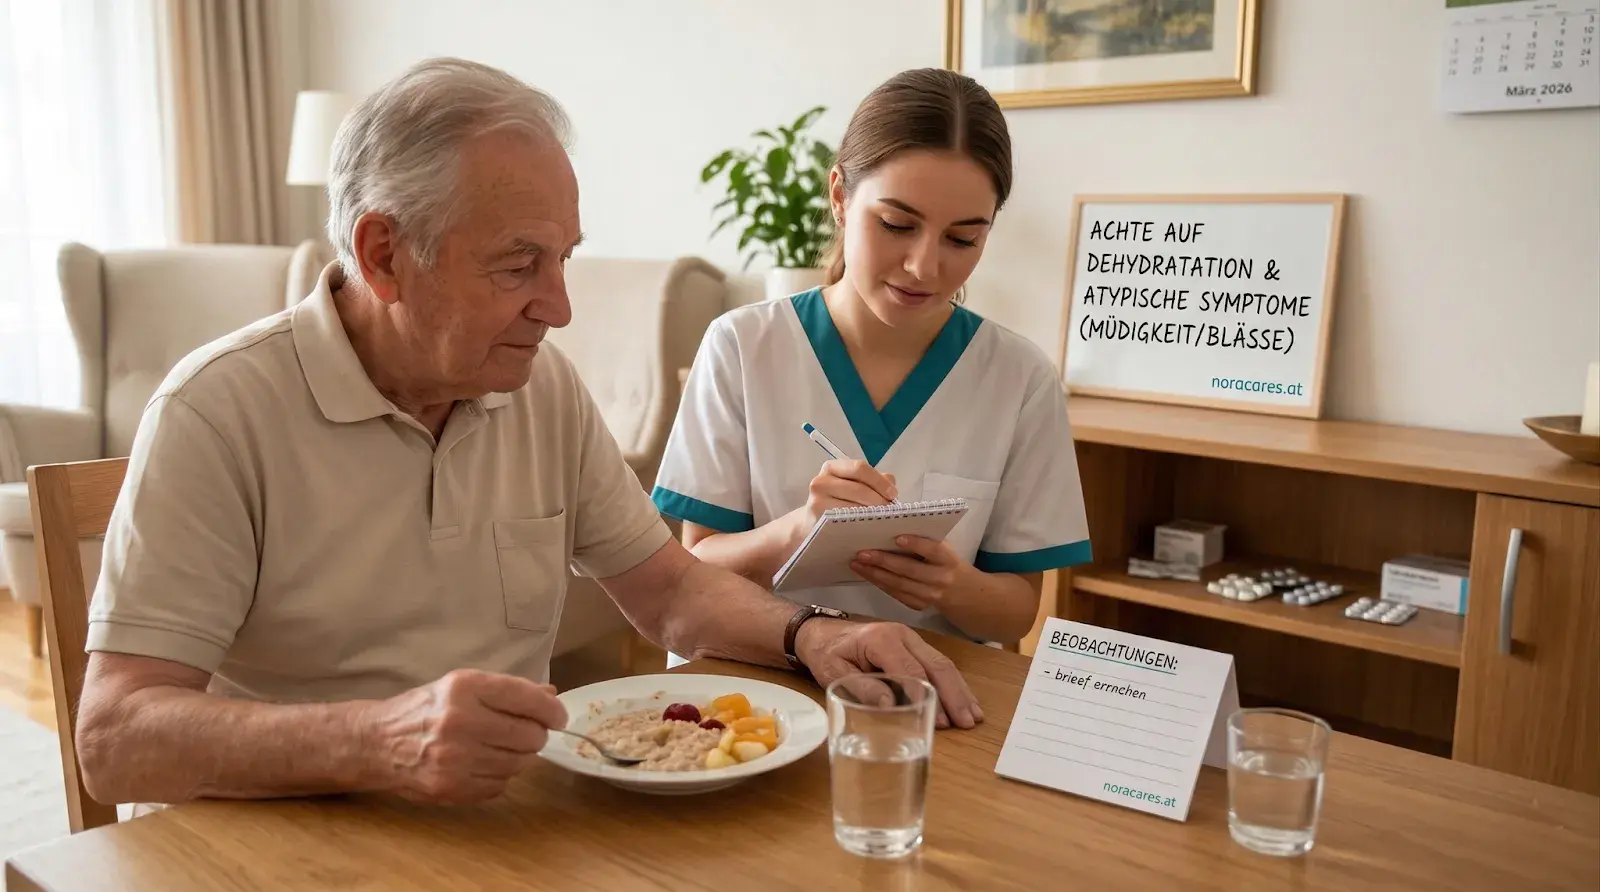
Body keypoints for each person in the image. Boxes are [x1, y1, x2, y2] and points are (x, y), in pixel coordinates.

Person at [73, 58, 980, 811]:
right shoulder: (215, 413)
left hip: (499, 827)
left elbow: (668, 594)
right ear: (385, 254)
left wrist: (809, 636)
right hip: (273, 850)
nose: (558, 305)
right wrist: (377, 739)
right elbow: (114, 740)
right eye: (518, 264)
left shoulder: (540, 386)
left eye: (563, 257)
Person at [651, 69, 1092, 659]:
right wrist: (799, 531)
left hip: (928, 690)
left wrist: (951, 585)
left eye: (963, 239)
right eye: (896, 225)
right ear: (839, 197)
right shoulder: (741, 346)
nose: (923, 267)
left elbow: (1016, 610)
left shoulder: (1020, 379)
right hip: (758, 682)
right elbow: (694, 568)